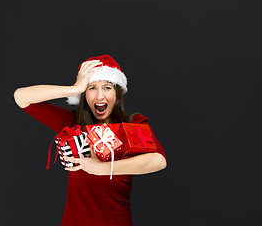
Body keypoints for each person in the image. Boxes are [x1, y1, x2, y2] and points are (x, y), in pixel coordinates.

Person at [14, 55, 167, 226]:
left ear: (117, 92)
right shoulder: (72, 124)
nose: (100, 96)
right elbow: (21, 97)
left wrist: (102, 168)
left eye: (107, 87)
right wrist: (75, 88)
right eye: (92, 88)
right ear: (84, 94)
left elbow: (158, 161)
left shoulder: (132, 126)